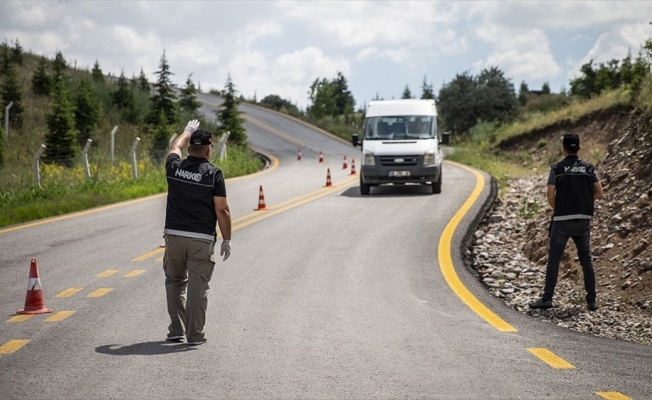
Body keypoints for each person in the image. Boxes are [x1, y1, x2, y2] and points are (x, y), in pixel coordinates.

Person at [163, 119, 232, 345]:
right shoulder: (213, 174)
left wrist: (185, 132)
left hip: (173, 235)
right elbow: (222, 209)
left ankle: (176, 329)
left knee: (174, 282)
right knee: (197, 286)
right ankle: (194, 335)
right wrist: (226, 239)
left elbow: (174, 148)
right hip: (201, 239)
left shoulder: (174, 166)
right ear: (209, 150)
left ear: (190, 148)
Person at [530, 133, 603, 311]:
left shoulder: (557, 168)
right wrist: (584, 204)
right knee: (586, 260)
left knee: (554, 258)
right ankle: (591, 301)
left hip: (562, 220)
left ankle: (547, 299)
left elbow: (550, 195)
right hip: (583, 220)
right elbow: (599, 193)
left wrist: (560, 208)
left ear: (563, 149)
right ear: (578, 148)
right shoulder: (589, 168)